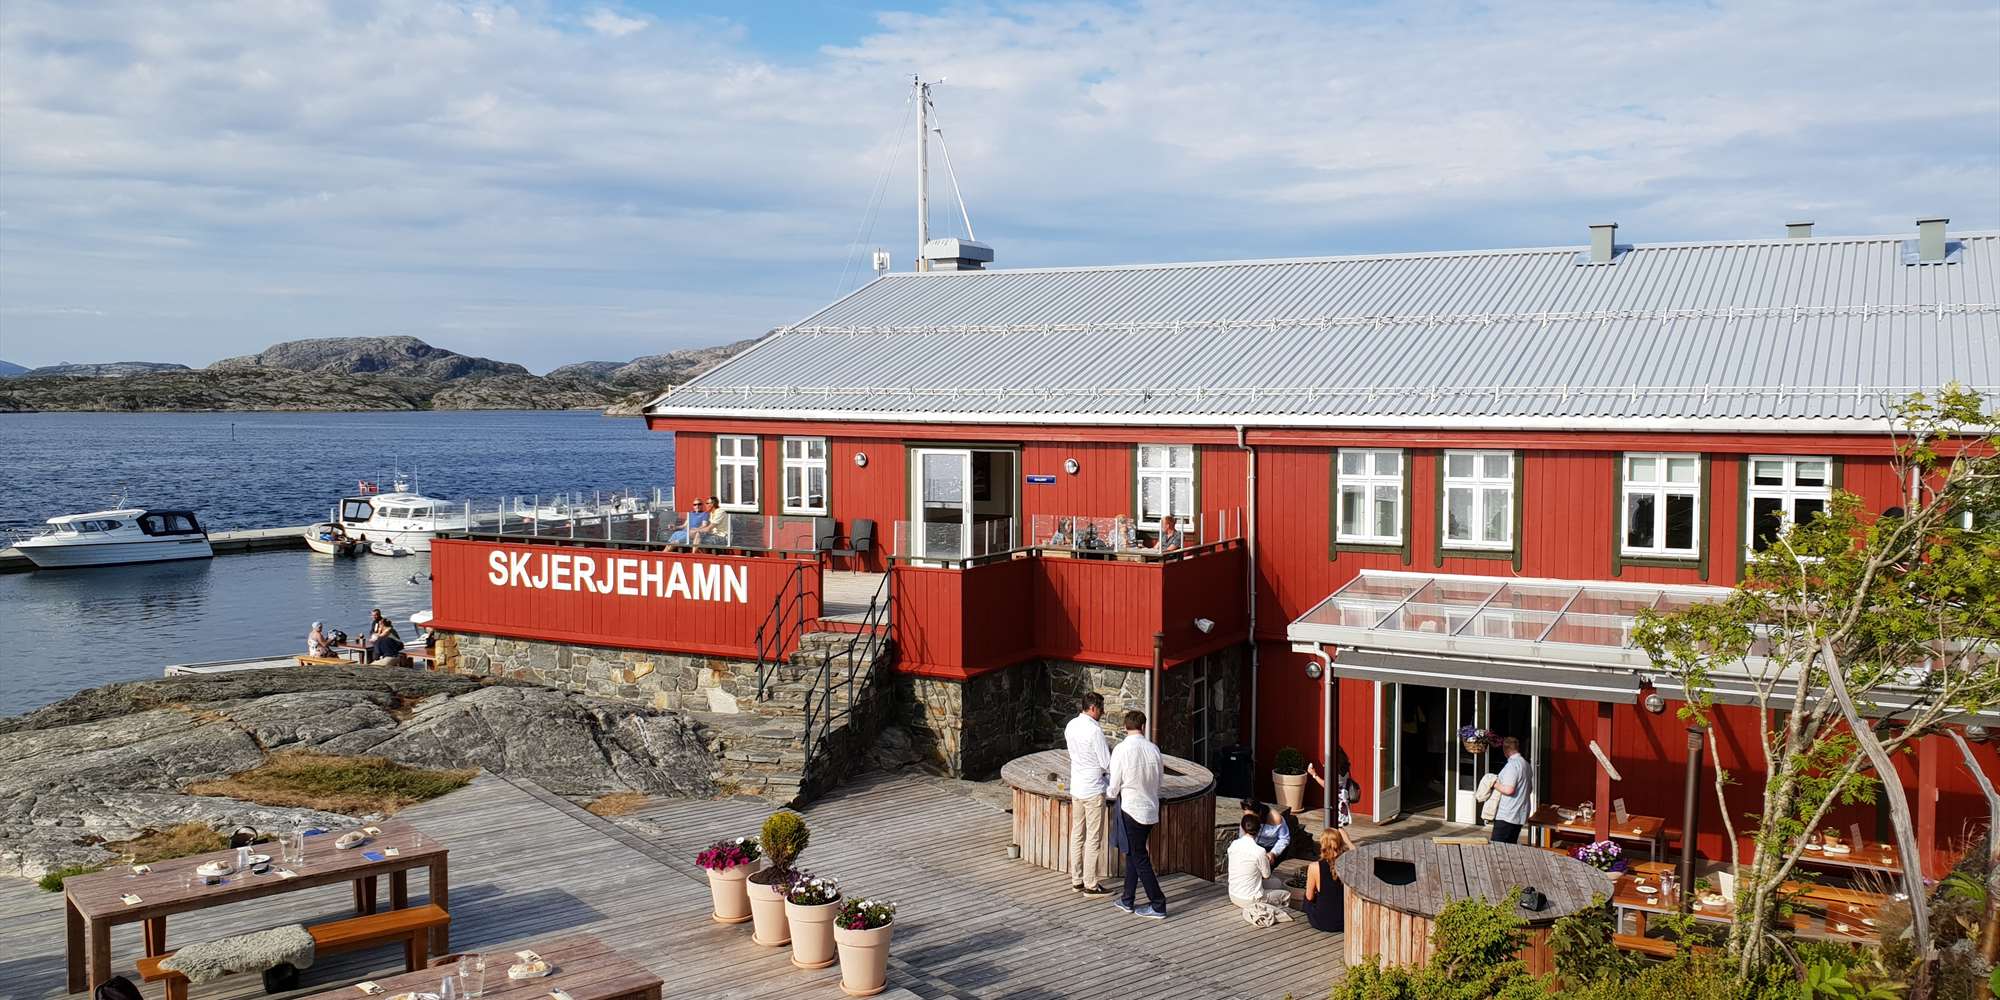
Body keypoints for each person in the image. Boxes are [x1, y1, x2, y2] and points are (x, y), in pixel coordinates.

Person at [1106, 709, 1166, 919]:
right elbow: (1160, 781)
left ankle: (1158, 903)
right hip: (1150, 808)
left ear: (1125, 727)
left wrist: (1108, 792)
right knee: (1133, 853)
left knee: (1139, 856)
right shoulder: (1154, 749)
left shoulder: (1121, 750)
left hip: (1131, 808)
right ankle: (1127, 899)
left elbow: (1114, 784)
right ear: (1143, 726)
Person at [1064, 692, 1112, 894]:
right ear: (1093, 708)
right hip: (1093, 789)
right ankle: (1091, 884)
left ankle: (1077, 880)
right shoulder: (1095, 731)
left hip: (1077, 787)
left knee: (1077, 835)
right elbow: (1106, 762)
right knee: (1093, 838)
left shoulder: (1071, 725)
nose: (1103, 712)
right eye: (1101, 708)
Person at [1227, 814, 1291, 911]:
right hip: (1250, 900)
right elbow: (1266, 876)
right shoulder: (1260, 851)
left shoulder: (1233, 844)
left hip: (1233, 895)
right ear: (1259, 830)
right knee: (1286, 894)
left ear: (1243, 828)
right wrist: (1266, 860)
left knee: (1276, 883)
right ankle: (1279, 912)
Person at [1301, 828, 1351, 932]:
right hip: (1345, 921)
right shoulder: (1349, 863)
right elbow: (1360, 857)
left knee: (1307, 898)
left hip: (1323, 922)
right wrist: (1348, 841)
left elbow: (1309, 897)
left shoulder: (1314, 867)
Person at [1490, 735, 1532, 844]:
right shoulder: (1526, 765)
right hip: (1520, 814)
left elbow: (1509, 790)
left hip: (1507, 815)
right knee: (1510, 848)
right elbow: (1530, 789)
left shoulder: (1512, 765)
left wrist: (1494, 784)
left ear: (1505, 751)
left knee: (1496, 848)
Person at [1306, 752, 1361, 829]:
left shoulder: (1336, 773)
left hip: (1337, 803)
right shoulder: (1344, 769)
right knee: (1337, 827)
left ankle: (1342, 838)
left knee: (1337, 827)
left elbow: (1327, 786)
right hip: (1343, 801)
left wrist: (1314, 775)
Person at [1241, 798, 1291, 863]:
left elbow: (1284, 839)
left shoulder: (1276, 818)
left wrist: (1273, 853)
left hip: (1272, 849)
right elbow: (1242, 835)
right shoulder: (1246, 817)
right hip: (1254, 847)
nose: (1249, 820)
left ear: (1259, 813)